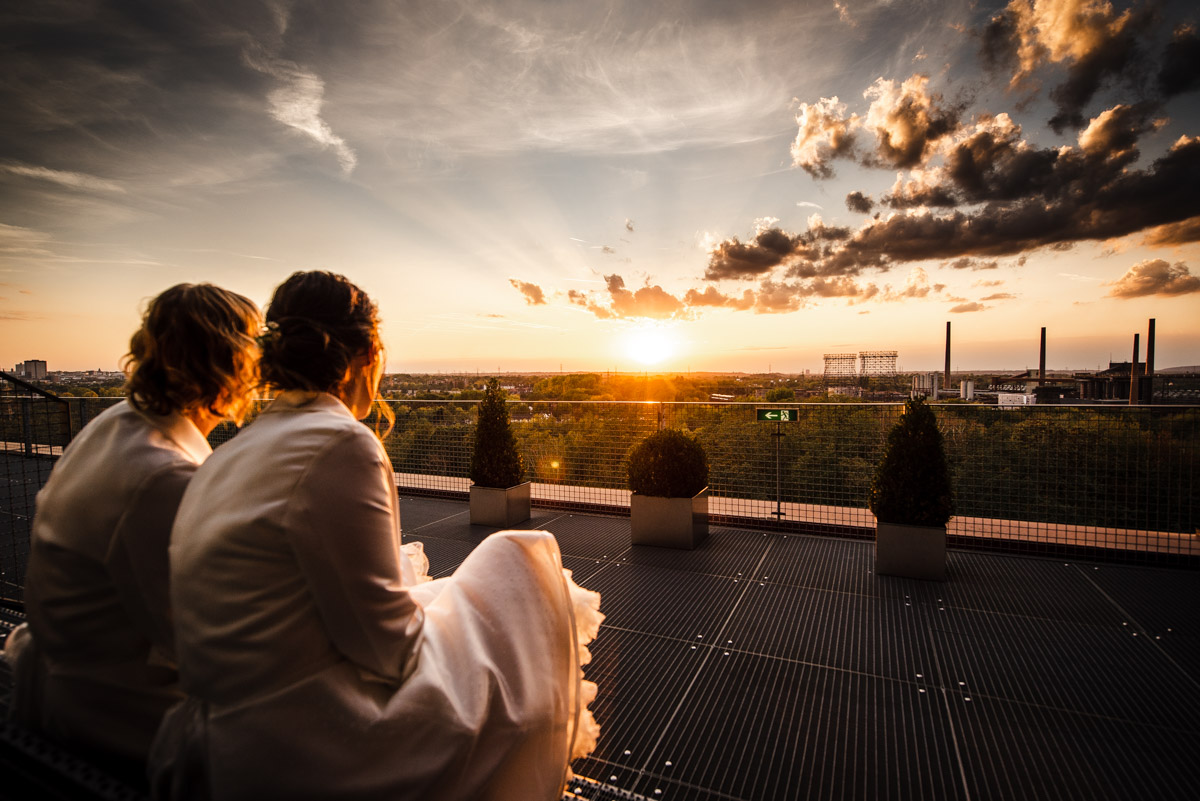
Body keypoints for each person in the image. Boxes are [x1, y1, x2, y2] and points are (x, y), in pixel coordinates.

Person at [151, 271, 601, 801]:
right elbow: (389, 650)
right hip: (300, 745)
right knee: (520, 560)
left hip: (225, 736)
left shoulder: (228, 455)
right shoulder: (340, 444)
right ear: (368, 352)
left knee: (467, 588)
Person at [4, 284, 261, 778]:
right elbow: (198, 643)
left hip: (68, 674)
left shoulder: (115, 424)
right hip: (118, 713)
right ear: (232, 368)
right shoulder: (162, 476)